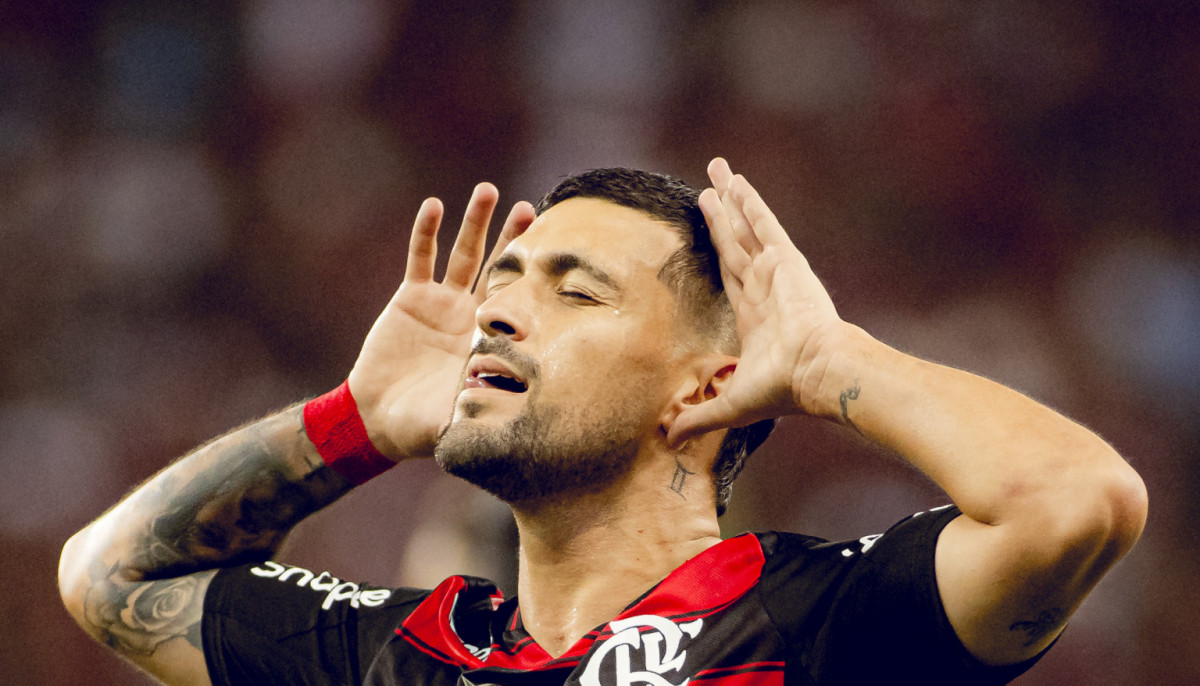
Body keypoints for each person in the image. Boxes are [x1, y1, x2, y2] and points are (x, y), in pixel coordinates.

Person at [58, 159, 1147, 685]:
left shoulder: (820, 624)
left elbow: (1074, 503)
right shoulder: (403, 653)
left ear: (702, 387)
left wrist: (830, 360)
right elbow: (113, 580)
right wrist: (357, 422)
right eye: (507, 281)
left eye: (576, 291)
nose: (501, 308)